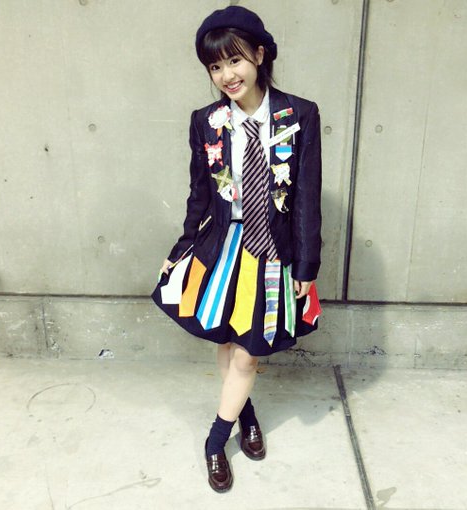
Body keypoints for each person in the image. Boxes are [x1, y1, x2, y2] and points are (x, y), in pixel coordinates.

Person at [151, 5, 322, 493]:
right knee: (228, 342)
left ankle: (214, 440)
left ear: (260, 56)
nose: (226, 75)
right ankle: (245, 415)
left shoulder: (299, 114)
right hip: (223, 245)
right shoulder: (205, 121)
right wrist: (181, 247)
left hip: (272, 249)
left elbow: (307, 197)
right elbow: (199, 194)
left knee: (248, 355)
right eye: (215, 66)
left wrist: (307, 265)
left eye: (235, 60)